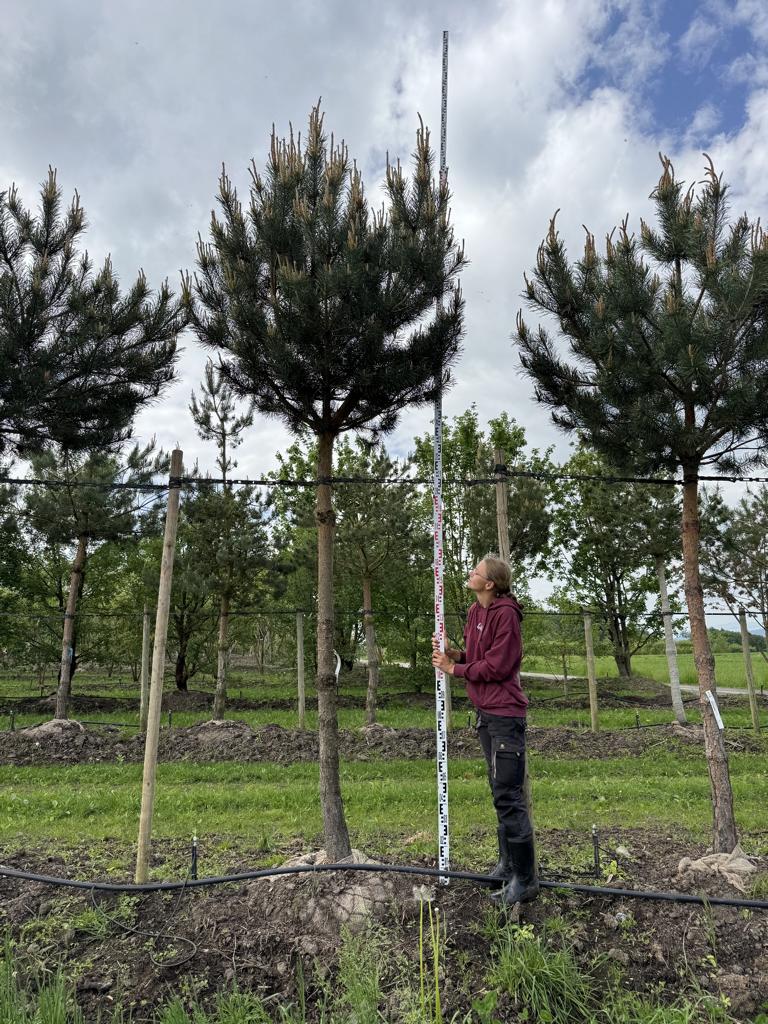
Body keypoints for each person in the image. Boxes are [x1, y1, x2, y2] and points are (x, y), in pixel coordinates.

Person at [431, 554, 538, 904]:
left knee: (509, 794)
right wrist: (455, 654)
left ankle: (526, 879)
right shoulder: (477, 612)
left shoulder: (507, 615)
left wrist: (454, 669)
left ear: (490, 583)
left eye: (476, 571)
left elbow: (497, 665)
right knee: (498, 789)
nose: (470, 573)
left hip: (505, 714)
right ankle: (506, 866)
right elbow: (478, 656)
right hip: (485, 713)